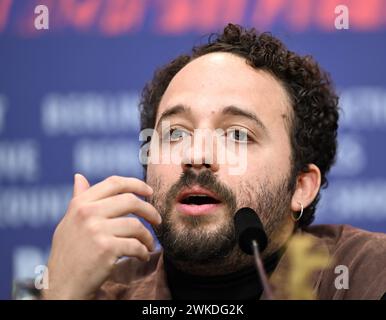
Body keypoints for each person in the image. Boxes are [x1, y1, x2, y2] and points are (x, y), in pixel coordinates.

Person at [42, 23, 386, 300]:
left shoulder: (366, 274)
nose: (195, 156)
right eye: (175, 133)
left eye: (236, 135)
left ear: (300, 186)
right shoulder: (99, 292)